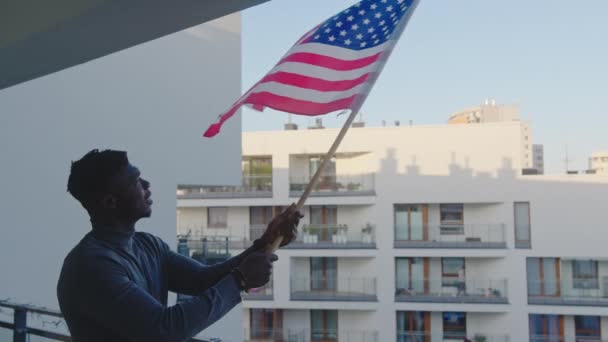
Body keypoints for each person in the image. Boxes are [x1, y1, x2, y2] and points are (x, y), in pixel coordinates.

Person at [57, 149, 301, 342]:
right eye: (135, 181)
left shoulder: (147, 245)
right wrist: (239, 280)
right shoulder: (90, 267)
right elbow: (163, 330)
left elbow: (202, 280)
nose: (147, 184)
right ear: (111, 202)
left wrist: (267, 241)